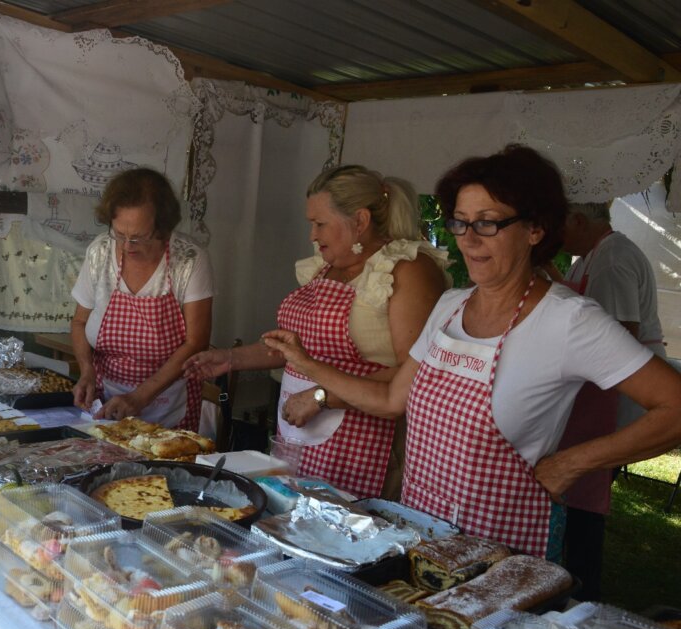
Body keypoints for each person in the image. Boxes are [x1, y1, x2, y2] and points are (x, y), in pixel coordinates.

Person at [263, 145, 681, 559]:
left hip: (496, 558)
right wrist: (309, 368)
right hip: (417, 541)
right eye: (460, 223)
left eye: (487, 224)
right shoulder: (450, 307)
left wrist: (572, 463)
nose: (469, 240)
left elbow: (674, 406)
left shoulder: (568, 320)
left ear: (534, 229)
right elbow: (392, 400)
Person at [185, 165, 448, 499]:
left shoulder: (408, 270)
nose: (312, 234)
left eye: (320, 223)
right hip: (300, 434)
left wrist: (322, 397)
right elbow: (294, 349)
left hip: (364, 444)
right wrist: (229, 359)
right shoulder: (324, 269)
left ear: (360, 221)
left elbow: (414, 375)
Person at [554, 201, 667, 599]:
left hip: (614, 395)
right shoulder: (586, 258)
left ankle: (580, 588)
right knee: (578, 489)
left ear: (578, 219)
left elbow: (619, 335)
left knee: (587, 490)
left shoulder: (613, 258)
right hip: (592, 393)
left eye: (559, 221)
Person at [70, 168, 213, 429]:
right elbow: (80, 322)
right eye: (119, 234)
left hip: (168, 404)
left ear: (162, 227)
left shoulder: (189, 260)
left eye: (138, 237)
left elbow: (196, 342)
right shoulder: (100, 252)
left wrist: (140, 396)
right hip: (107, 400)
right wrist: (87, 372)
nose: (126, 246)